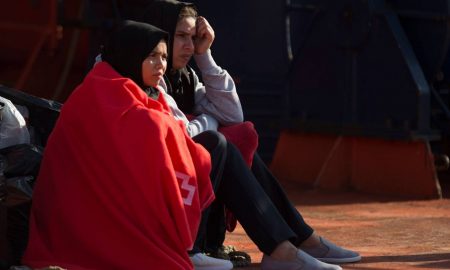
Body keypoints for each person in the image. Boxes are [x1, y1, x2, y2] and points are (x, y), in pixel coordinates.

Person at [140, 1, 362, 270]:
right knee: (218, 141)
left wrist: (205, 56)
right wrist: (210, 121)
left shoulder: (183, 75)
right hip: (151, 190)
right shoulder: (145, 70)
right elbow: (180, 132)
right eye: (182, 37)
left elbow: (233, 116)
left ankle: (293, 242)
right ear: (160, 35)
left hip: (176, 178)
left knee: (237, 140)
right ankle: (286, 245)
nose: (190, 45)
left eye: (194, 37)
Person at [22, 21, 215, 270]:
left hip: (120, 200)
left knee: (214, 147)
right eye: (152, 56)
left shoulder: (148, 93)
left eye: (165, 57)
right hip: (82, 214)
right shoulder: (99, 90)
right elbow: (147, 130)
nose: (161, 65)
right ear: (130, 54)